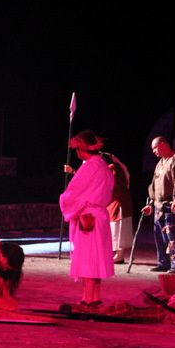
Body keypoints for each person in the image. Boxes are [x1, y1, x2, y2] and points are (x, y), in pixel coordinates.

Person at [59, 130, 115, 308]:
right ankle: (93, 297)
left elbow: (73, 192)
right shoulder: (102, 165)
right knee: (95, 257)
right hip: (99, 215)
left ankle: (88, 299)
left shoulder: (91, 166)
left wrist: (65, 200)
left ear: (80, 150)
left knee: (88, 258)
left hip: (88, 215)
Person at [60, 290, 175, 333]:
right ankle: (86, 309)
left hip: (169, 314)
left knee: (127, 311)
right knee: (124, 305)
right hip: (171, 303)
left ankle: (86, 312)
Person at [141, 136, 175, 273]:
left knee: (172, 236)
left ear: (163, 144)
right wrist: (150, 203)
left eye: (155, 148)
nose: (154, 151)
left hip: (170, 205)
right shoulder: (160, 162)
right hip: (158, 206)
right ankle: (163, 262)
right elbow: (154, 185)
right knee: (159, 236)